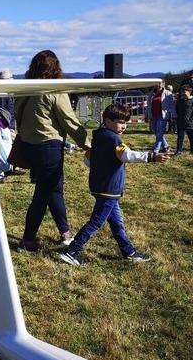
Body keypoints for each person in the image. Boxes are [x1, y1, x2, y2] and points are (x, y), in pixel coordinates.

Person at [59, 104, 169, 266]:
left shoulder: (98, 138)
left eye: (126, 122)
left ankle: (128, 252)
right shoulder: (114, 139)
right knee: (96, 222)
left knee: (117, 222)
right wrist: (152, 156)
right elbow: (127, 155)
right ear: (107, 121)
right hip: (108, 190)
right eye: (119, 122)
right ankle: (72, 251)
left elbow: (87, 161)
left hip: (100, 188)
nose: (123, 125)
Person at [16, 50, 91, 251]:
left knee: (54, 189)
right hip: (48, 146)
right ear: (55, 67)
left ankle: (65, 233)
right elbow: (69, 120)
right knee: (43, 192)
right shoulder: (54, 89)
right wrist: (88, 144)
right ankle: (28, 238)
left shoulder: (25, 88)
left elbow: (18, 115)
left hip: (29, 146)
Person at [146, 80, 173, 154]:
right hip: (153, 115)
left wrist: (173, 115)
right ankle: (166, 146)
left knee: (159, 133)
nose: (158, 85)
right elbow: (148, 105)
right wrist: (147, 115)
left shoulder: (168, 93)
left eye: (160, 83)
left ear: (163, 84)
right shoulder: (151, 94)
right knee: (155, 132)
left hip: (162, 115)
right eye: (156, 83)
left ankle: (156, 150)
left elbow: (172, 105)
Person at [175, 84, 193, 155]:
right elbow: (177, 109)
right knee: (180, 138)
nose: (183, 94)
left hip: (190, 123)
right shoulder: (179, 101)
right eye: (182, 92)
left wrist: (190, 119)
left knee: (191, 138)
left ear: (189, 92)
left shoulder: (192, 100)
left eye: (184, 92)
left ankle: (192, 150)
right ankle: (179, 151)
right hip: (180, 122)